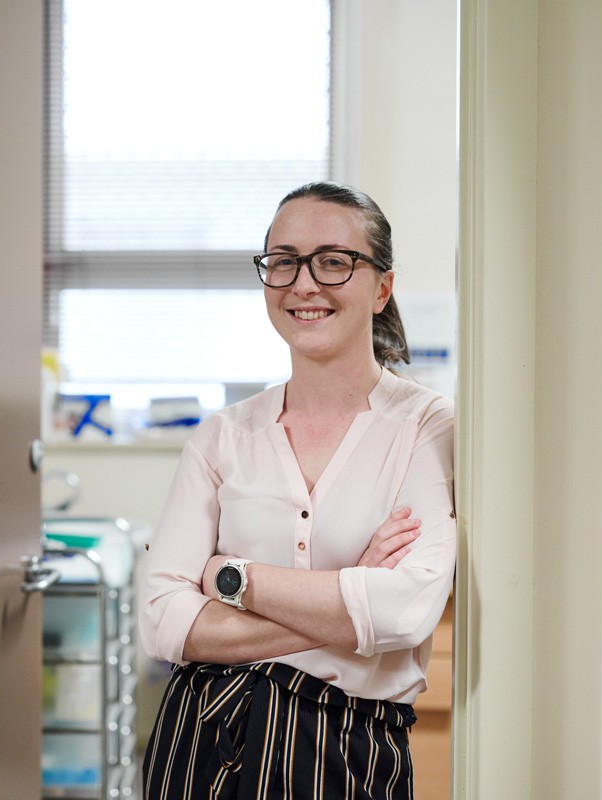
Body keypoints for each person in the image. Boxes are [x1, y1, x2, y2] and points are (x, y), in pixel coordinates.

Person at [138, 182, 456, 799]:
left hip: (349, 747)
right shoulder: (222, 436)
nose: (304, 284)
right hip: (203, 735)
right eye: (284, 261)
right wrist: (349, 597)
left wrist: (232, 579)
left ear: (382, 288)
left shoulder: (427, 425)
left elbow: (405, 610)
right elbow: (161, 622)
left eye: (333, 261)